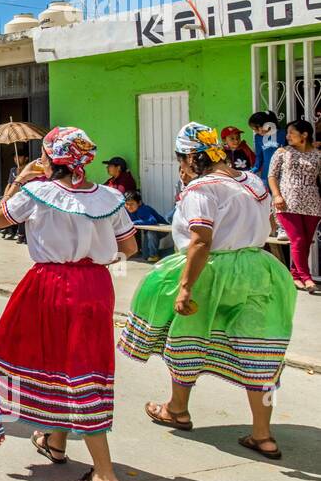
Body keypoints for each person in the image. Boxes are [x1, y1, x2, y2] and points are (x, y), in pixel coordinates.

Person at [120, 123, 294, 459]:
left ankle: (177, 409)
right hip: (256, 270)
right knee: (259, 349)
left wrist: (185, 287)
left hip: (211, 272)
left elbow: (201, 240)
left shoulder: (202, 189)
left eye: (180, 161)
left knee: (186, 335)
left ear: (187, 158)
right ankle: (263, 435)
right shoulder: (253, 181)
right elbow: (270, 225)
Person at [0, 127, 137, 481]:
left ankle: (104, 473)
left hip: (51, 282)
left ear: (50, 157)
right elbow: (130, 247)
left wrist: (20, 181)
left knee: (70, 367)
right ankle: (56, 440)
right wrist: (95, 255)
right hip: (96, 285)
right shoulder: (108, 196)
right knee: (73, 364)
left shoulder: (38, 193)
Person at [266, 118, 321, 290]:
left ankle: (295, 275)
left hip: (312, 203)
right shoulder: (282, 152)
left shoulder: (318, 154)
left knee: (305, 241)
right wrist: (276, 196)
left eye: (291, 132)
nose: (287, 136)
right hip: (287, 203)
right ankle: (307, 277)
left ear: (304, 135)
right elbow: (272, 175)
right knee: (297, 239)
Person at [124, 190, 169, 262]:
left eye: (132, 204)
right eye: (127, 204)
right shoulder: (127, 210)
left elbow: (152, 221)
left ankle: (154, 255)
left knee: (151, 233)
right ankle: (166, 254)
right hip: (148, 231)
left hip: (162, 230)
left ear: (139, 203)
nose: (129, 207)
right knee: (145, 256)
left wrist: (133, 223)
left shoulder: (143, 209)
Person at [248, 111, 283, 186]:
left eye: (257, 129)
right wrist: (255, 169)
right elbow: (259, 156)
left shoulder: (283, 134)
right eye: (254, 130)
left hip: (282, 173)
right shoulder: (258, 137)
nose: (257, 132)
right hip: (266, 173)